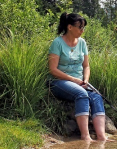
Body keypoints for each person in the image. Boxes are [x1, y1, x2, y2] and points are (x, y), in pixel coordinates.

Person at [47, 12, 109, 142]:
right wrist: (74, 80)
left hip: (79, 82)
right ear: (70, 27)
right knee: (82, 94)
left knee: (96, 96)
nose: (82, 30)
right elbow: (53, 70)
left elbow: (86, 66)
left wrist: (85, 79)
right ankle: (85, 136)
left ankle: (102, 137)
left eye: (83, 27)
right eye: (80, 27)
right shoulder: (57, 43)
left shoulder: (82, 43)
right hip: (59, 82)